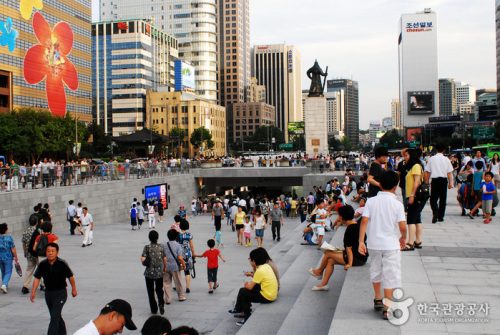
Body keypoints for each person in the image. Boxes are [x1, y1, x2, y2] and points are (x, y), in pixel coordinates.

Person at [359, 171, 407, 320]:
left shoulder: (371, 201)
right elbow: (403, 226)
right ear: (396, 186)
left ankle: (378, 298)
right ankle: (387, 307)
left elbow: (364, 221)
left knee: (376, 269)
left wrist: (361, 241)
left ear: (380, 184)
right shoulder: (397, 204)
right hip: (390, 244)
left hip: (373, 243)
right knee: (390, 274)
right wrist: (403, 238)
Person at [308, 205, 368, 291]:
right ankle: (323, 284)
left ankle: (319, 271)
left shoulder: (350, 229)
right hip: (361, 256)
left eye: (339, 215)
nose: (338, 217)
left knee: (328, 253)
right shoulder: (356, 225)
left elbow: (349, 248)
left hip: (357, 258)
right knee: (330, 260)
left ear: (342, 217)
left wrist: (349, 264)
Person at [31, 243, 77, 335]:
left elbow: (70, 276)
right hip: (48, 293)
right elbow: (37, 278)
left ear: (57, 252)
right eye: (48, 251)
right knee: (56, 315)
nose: (50, 253)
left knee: (54, 317)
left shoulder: (62, 263)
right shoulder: (42, 264)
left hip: (61, 293)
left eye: (53, 251)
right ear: (46, 252)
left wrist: (74, 289)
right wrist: (33, 291)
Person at [228, 248, 278, 326]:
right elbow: (259, 278)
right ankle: (239, 309)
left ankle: (246, 316)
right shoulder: (266, 266)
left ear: (254, 261)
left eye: (250, 260)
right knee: (244, 291)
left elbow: (250, 287)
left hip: (267, 297)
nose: (250, 261)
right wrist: (251, 275)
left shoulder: (259, 270)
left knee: (244, 292)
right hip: (272, 293)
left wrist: (246, 285)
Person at [424, 143, 454, 223]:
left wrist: (426, 181)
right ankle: (440, 216)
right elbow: (449, 173)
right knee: (443, 199)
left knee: (433, 199)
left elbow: (427, 171)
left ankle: (435, 212)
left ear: (436, 149)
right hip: (443, 181)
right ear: (444, 150)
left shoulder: (432, 159)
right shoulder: (447, 159)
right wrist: (450, 183)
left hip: (435, 180)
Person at [403, 148, 426, 251]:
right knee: (417, 219)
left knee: (411, 219)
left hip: (415, 196)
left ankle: (410, 243)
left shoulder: (416, 166)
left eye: (407, 155)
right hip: (415, 195)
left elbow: (417, 182)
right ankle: (418, 241)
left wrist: (412, 195)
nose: (405, 157)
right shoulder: (413, 166)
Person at [141, 230, 167, 315]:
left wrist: (144, 262)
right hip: (159, 272)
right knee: (159, 290)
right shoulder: (161, 247)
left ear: (149, 238)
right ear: (157, 238)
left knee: (150, 291)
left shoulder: (147, 247)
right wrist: (164, 269)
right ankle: (161, 304)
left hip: (149, 273)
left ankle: (154, 308)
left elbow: (142, 259)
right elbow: (165, 259)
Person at [163, 229, 187, 304]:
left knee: (166, 283)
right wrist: (184, 264)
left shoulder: (163, 244)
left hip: (165, 266)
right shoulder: (178, 245)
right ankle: (181, 296)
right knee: (178, 282)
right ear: (176, 236)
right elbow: (180, 257)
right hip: (175, 266)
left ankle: (168, 299)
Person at [21, 214, 39, 294]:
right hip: (38, 254)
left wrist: (25, 252)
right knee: (42, 269)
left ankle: (25, 286)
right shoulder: (39, 231)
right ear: (37, 222)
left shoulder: (25, 232)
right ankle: (43, 285)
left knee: (29, 269)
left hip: (29, 254)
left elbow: (24, 244)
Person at [178, 219, 195, 294]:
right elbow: (191, 246)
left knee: (178, 270)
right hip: (187, 253)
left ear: (180, 226)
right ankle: (187, 287)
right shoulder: (189, 235)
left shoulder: (177, 235)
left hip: (179, 254)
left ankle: (178, 285)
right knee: (187, 271)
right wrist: (193, 254)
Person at [0, 223, 19, 293]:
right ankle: (4, 284)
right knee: (8, 271)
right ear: (5, 230)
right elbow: (13, 249)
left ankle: (5, 285)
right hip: (8, 256)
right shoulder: (9, 238)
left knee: (3, 271)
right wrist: (16, 257)